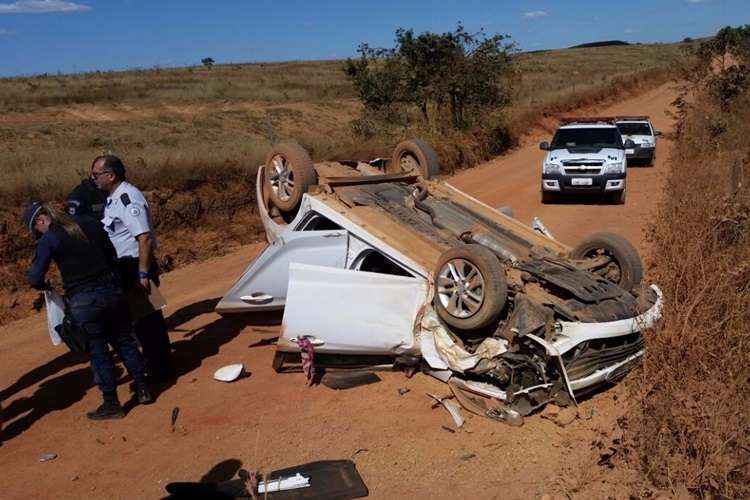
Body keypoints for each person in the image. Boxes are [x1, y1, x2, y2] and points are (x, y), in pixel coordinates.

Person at [23, 202, 152, 420]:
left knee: (98, 351)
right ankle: (143, 389)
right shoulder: (89, 223)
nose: (39, 234)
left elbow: (34, 277)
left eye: (36, 230)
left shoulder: (49, 239)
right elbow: (111, 253)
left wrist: (44, 286)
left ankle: (112, 404)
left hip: (85, 301)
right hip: (113, 292)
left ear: (40, 221)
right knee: (124, 340)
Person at [91, 155, 175, 383]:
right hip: (125, 268)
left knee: (149, 323)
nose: (93, 179)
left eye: (96, 174)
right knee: (139, 323)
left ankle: (162, 371)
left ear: (111, 175)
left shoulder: (128, 198)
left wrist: (143, 273)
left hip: (136, 267)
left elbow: (144, 238)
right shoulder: (113, 199)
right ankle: (156, 365)